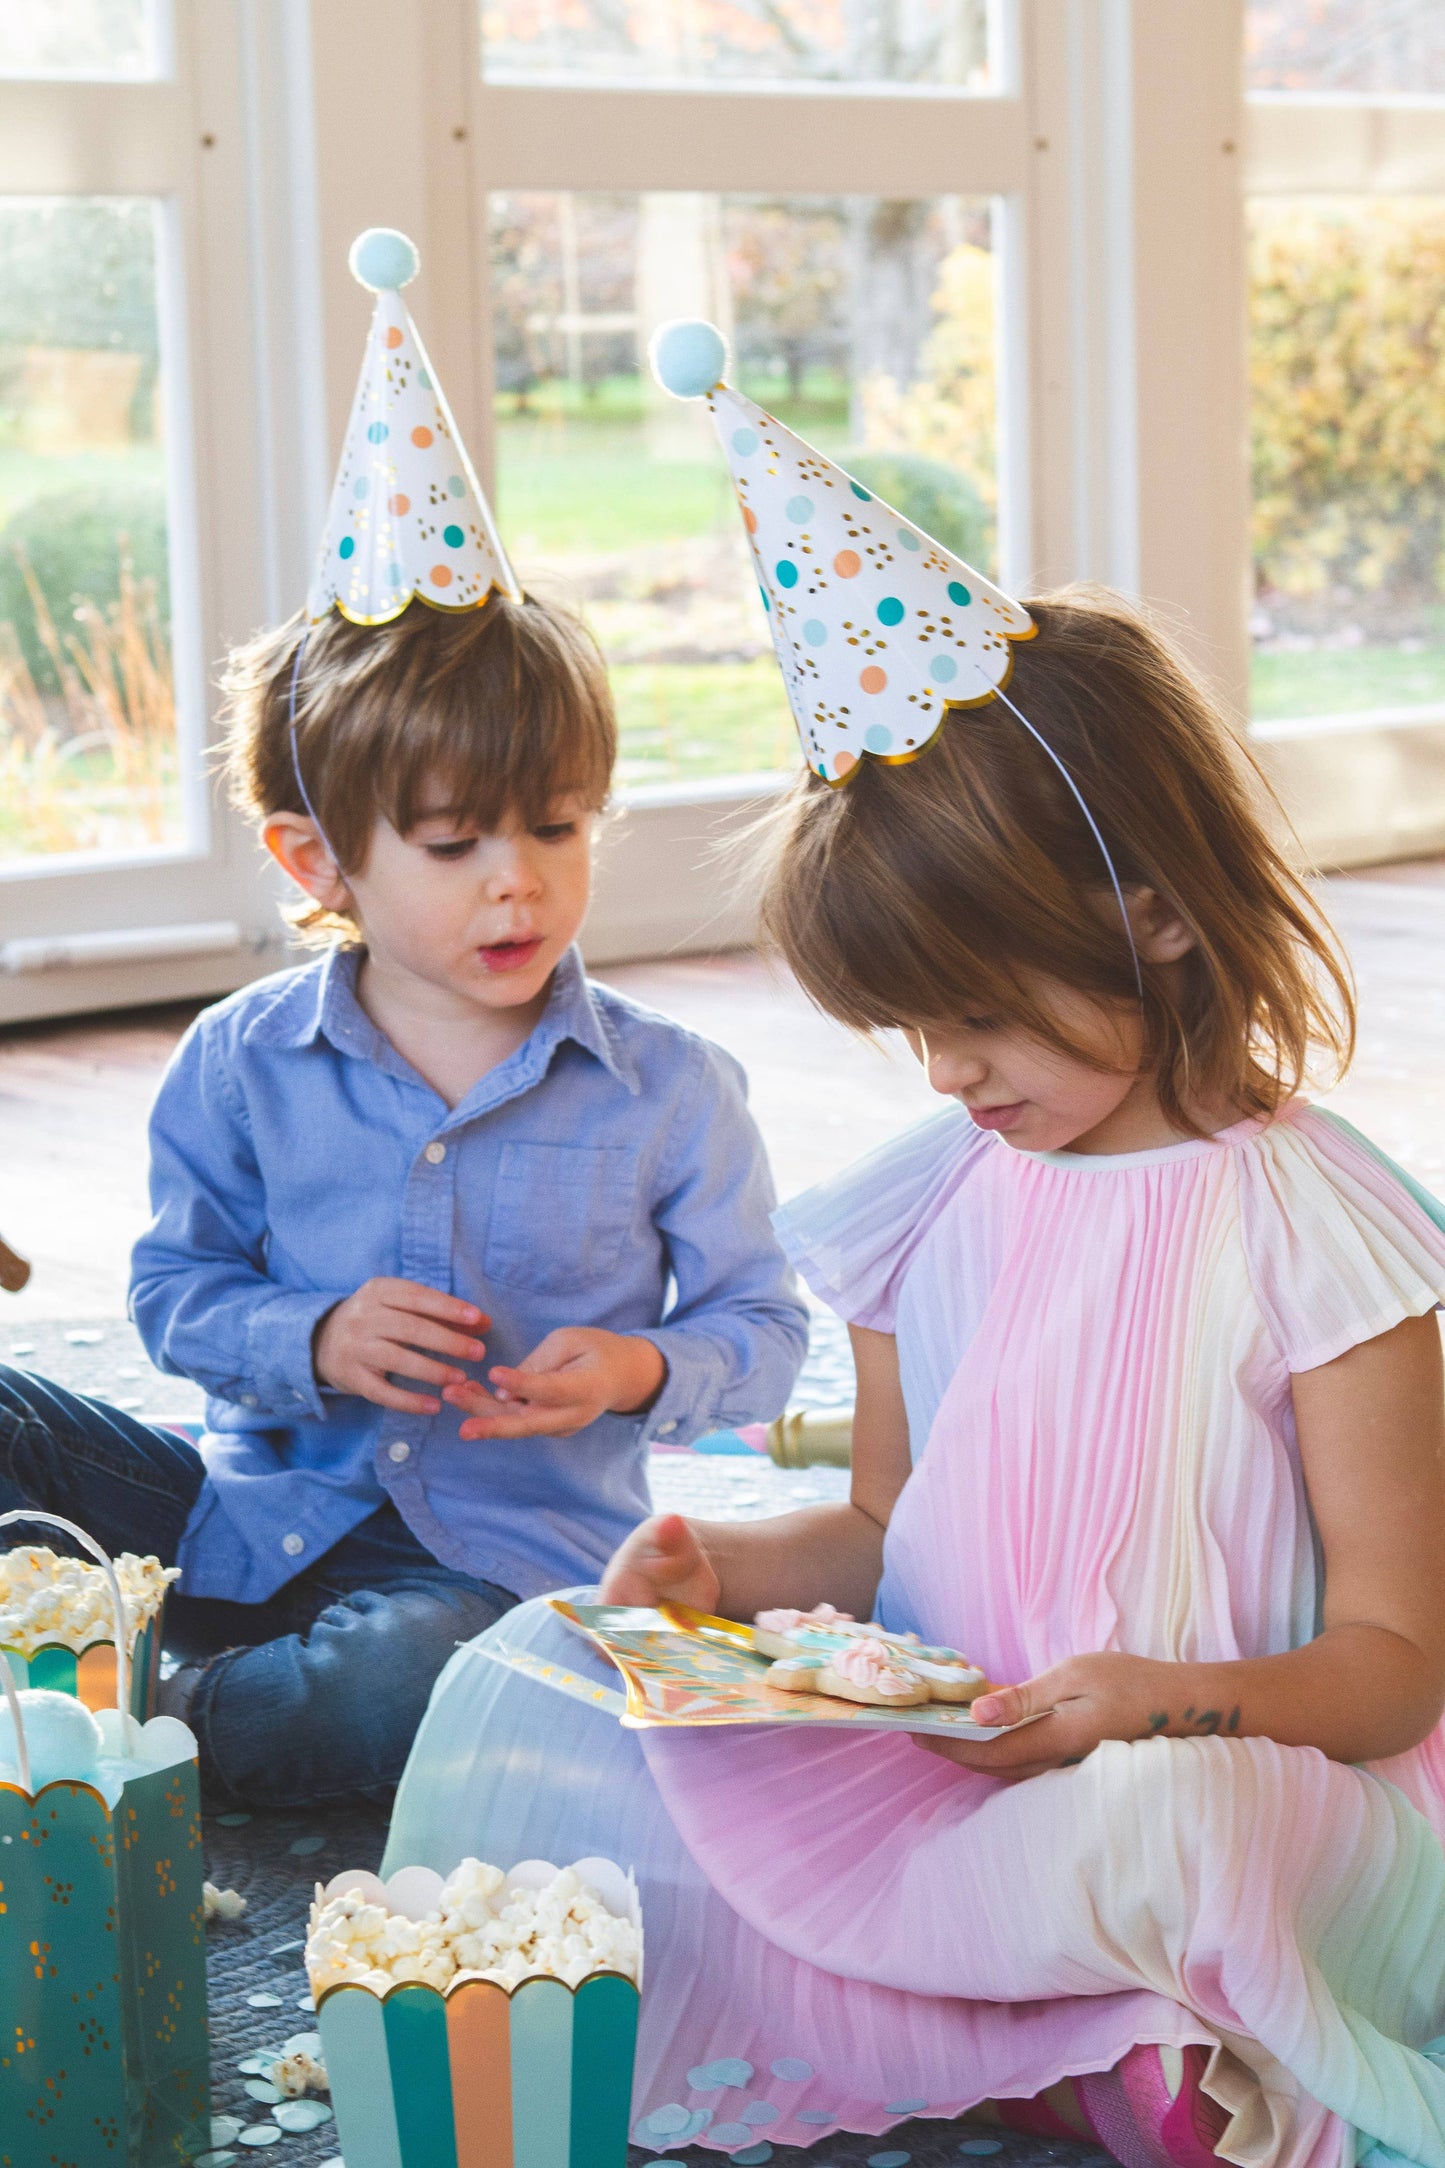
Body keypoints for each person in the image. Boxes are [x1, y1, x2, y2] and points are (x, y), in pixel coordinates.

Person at [387, 589, 1445, 2168]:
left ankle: (1036, 2022)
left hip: (1257, 1809)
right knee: (545, 1669)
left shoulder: (1317, 1231)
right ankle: (1075, 2032)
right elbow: (882, 1527)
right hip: (960, 1783)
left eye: (973, 1016)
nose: (945, 1072)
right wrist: (726, 1573)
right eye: (907, 1030)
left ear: (1151, 913)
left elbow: (1392, 1668)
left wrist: (1151, 1710)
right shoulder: (929, 1196)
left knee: (1174, 1825)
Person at [0, 245, 807, 1809]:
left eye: (557, 828)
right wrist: (307, 1337)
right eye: (454, 846)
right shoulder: (240, 1062)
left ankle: (146, 1719)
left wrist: (635, 1370)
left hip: (497, 1582)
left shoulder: (671, 1089)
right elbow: (174, 1295)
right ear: (319, 860)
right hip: (244, 1525)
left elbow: (764, 1337)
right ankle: (126, 1656)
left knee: (413, 1682)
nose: (518, 884)